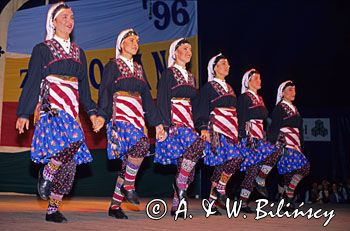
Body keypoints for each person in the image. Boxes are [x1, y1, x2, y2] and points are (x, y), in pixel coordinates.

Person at [15, 2, 99, 223]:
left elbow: (85, 90)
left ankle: (53, 210)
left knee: (69, 168)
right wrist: (23, 113)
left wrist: (91, 113)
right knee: (75, 139)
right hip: (51, 108)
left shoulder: (80, 53)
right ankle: (48, 173)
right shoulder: (42, 49)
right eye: (64, 17)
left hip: (72, 111)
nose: (69, 21)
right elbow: (32, 82)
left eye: (71, 17)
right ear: (53, 22)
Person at [95, 29, 166, 219]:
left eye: (137, 40)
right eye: (132, 40)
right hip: (120, 117)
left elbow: (147, 100)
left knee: (128, 164)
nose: (136, 43)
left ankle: (115, 206)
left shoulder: (139, 68)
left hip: (137, 118)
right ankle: (129, 186)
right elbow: (105, 91)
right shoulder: (113, 65)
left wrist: (157, 123)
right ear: (121, 44)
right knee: (142, 145)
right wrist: (102, 115)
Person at [154, 38, 205, 217]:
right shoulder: (169, 73)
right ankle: (179, 184)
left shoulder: (191, 77)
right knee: (197, 147)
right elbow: (162, 98)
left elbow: (196, 104)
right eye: (185, 48)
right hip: (175, 123)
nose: (189, 52)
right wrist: (164, 125)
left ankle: (177, 206)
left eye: (190, 49)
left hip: (189, 123)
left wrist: (201, 125)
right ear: (175, 53)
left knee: (186, 169)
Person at [196, 53, 243, 215]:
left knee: (222, 166)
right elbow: (202, 108)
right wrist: (203, 128)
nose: (227, 66)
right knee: (235, 158)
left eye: (228, 64)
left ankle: (211, 202)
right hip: (216, 130)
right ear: (215, 68)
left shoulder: (229, 88)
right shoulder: (209, 87)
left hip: (231, 130)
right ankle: (221, 189)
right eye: (223, 63)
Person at [237, 69, 277, 212]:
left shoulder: (260, 98)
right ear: (248, 82)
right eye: (256, 78)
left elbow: (264, 118)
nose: (259, 81)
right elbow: (241, 118)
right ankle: (242, 203)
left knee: (275, 152)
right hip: (250, 137)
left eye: (260, 78)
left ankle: (261, 178)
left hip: (260, 136)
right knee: (251, 170)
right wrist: (242, 137)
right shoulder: (244, 97)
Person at [267, 80, 310, 211]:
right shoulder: (279, 108)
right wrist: (272, 146)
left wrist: (301, 146)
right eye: (290, 89)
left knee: (288, 175)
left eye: (294, 89)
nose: (293, 92)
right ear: (282, 93)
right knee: (304, 168)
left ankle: (285, 199)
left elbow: (300, 130)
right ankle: (288, 195)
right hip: (285, 144)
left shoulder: (295, 109)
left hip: (296, 144)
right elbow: (274, 128)